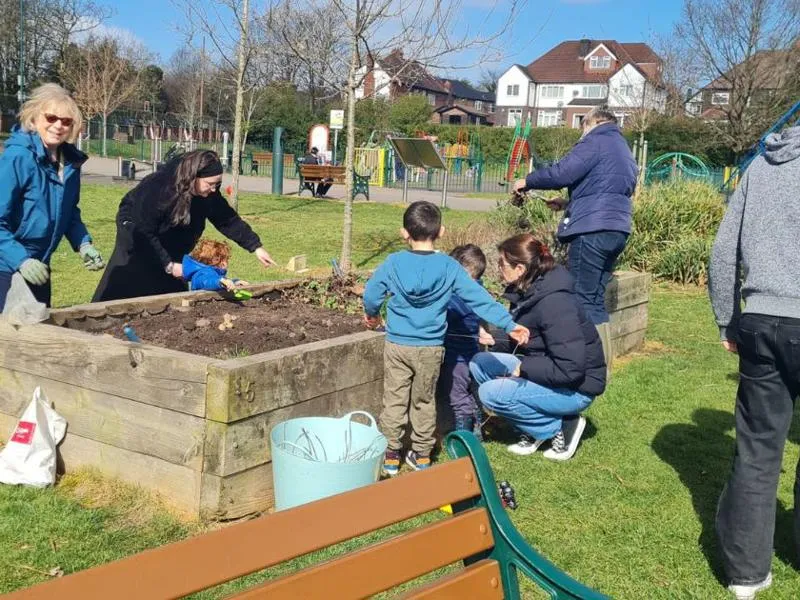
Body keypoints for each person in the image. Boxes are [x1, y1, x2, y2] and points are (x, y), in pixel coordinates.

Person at [363, 201, 529, 476]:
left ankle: (392, 454)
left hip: (398, 345)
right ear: (441, 231)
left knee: (394, 399)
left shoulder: (394, 263)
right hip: (430, 348)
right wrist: (508, 324)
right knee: (424, 400)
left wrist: (372, 315)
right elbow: (479, 300)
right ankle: (422, 454)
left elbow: (372, 294)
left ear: (404, 233)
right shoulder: (449, 267)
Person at [709, 124, 800, 600]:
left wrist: (728, 321)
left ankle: (746, 576)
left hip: (763, 321)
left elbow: (724, 249)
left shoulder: (765, 164)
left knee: (759, 450)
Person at [513, 106, 637, 365]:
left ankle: (589, 365)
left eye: (582, 127)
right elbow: (606, 189)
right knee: (595, 299)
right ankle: (603, 362)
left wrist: (528, 181)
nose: (581, 133)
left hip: (592, 230)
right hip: (617, 228)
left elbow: (563, 172)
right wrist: (569, 203)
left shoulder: (595, 141)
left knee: (582, 298)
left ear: (592, 123)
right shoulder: (622, 148)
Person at [469, 233, 606, 461]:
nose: (498, 268)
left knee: (490, 393)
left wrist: (524, 369)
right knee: (480, 363)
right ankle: (532, 427)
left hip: (577, 389)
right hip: (551, 373)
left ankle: (560, 426)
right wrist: (495, 339)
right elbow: (532, 338)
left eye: (501, 264)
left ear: (520, 268)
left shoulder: (555, 303)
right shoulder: (530, 290)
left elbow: (570, 367)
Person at [93, 150, 276, 302]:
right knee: (128, 283)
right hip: (136, 235)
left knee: (171, 292)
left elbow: (227, 219)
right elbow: (144, 230)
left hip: (173, 241)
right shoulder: (160, 188)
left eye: (218, 184)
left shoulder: (208, 194)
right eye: (210, 184)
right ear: (193, 177)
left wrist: (255, 247)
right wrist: (168, 265)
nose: (214, 189)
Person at [0, 83, 104, 310]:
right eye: (51, 118)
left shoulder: (70, 164)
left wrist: (83, 243)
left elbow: (69, 212)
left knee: (39, 337)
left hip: (40, 267)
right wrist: (21, 260)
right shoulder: (18, 158)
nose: (58, 125)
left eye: (66, 121)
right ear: (34, 118)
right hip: (7, 267)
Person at [437, 244, 495, 437]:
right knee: (471, 392)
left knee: (458, 396)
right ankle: (478, 429)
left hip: (457, 359)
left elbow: (442, 314)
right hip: (471, 354)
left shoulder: (461, 296)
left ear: (465, 272)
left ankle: (464, 436)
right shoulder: (478, 292)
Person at [181, 238, 249, 292]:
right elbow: (207, 282)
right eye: (225, 259)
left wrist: (235, 283)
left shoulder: (215, 273)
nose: (226, 262)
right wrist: (220, 282)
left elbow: (222, 281)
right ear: (218, 261)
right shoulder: (201, 274)